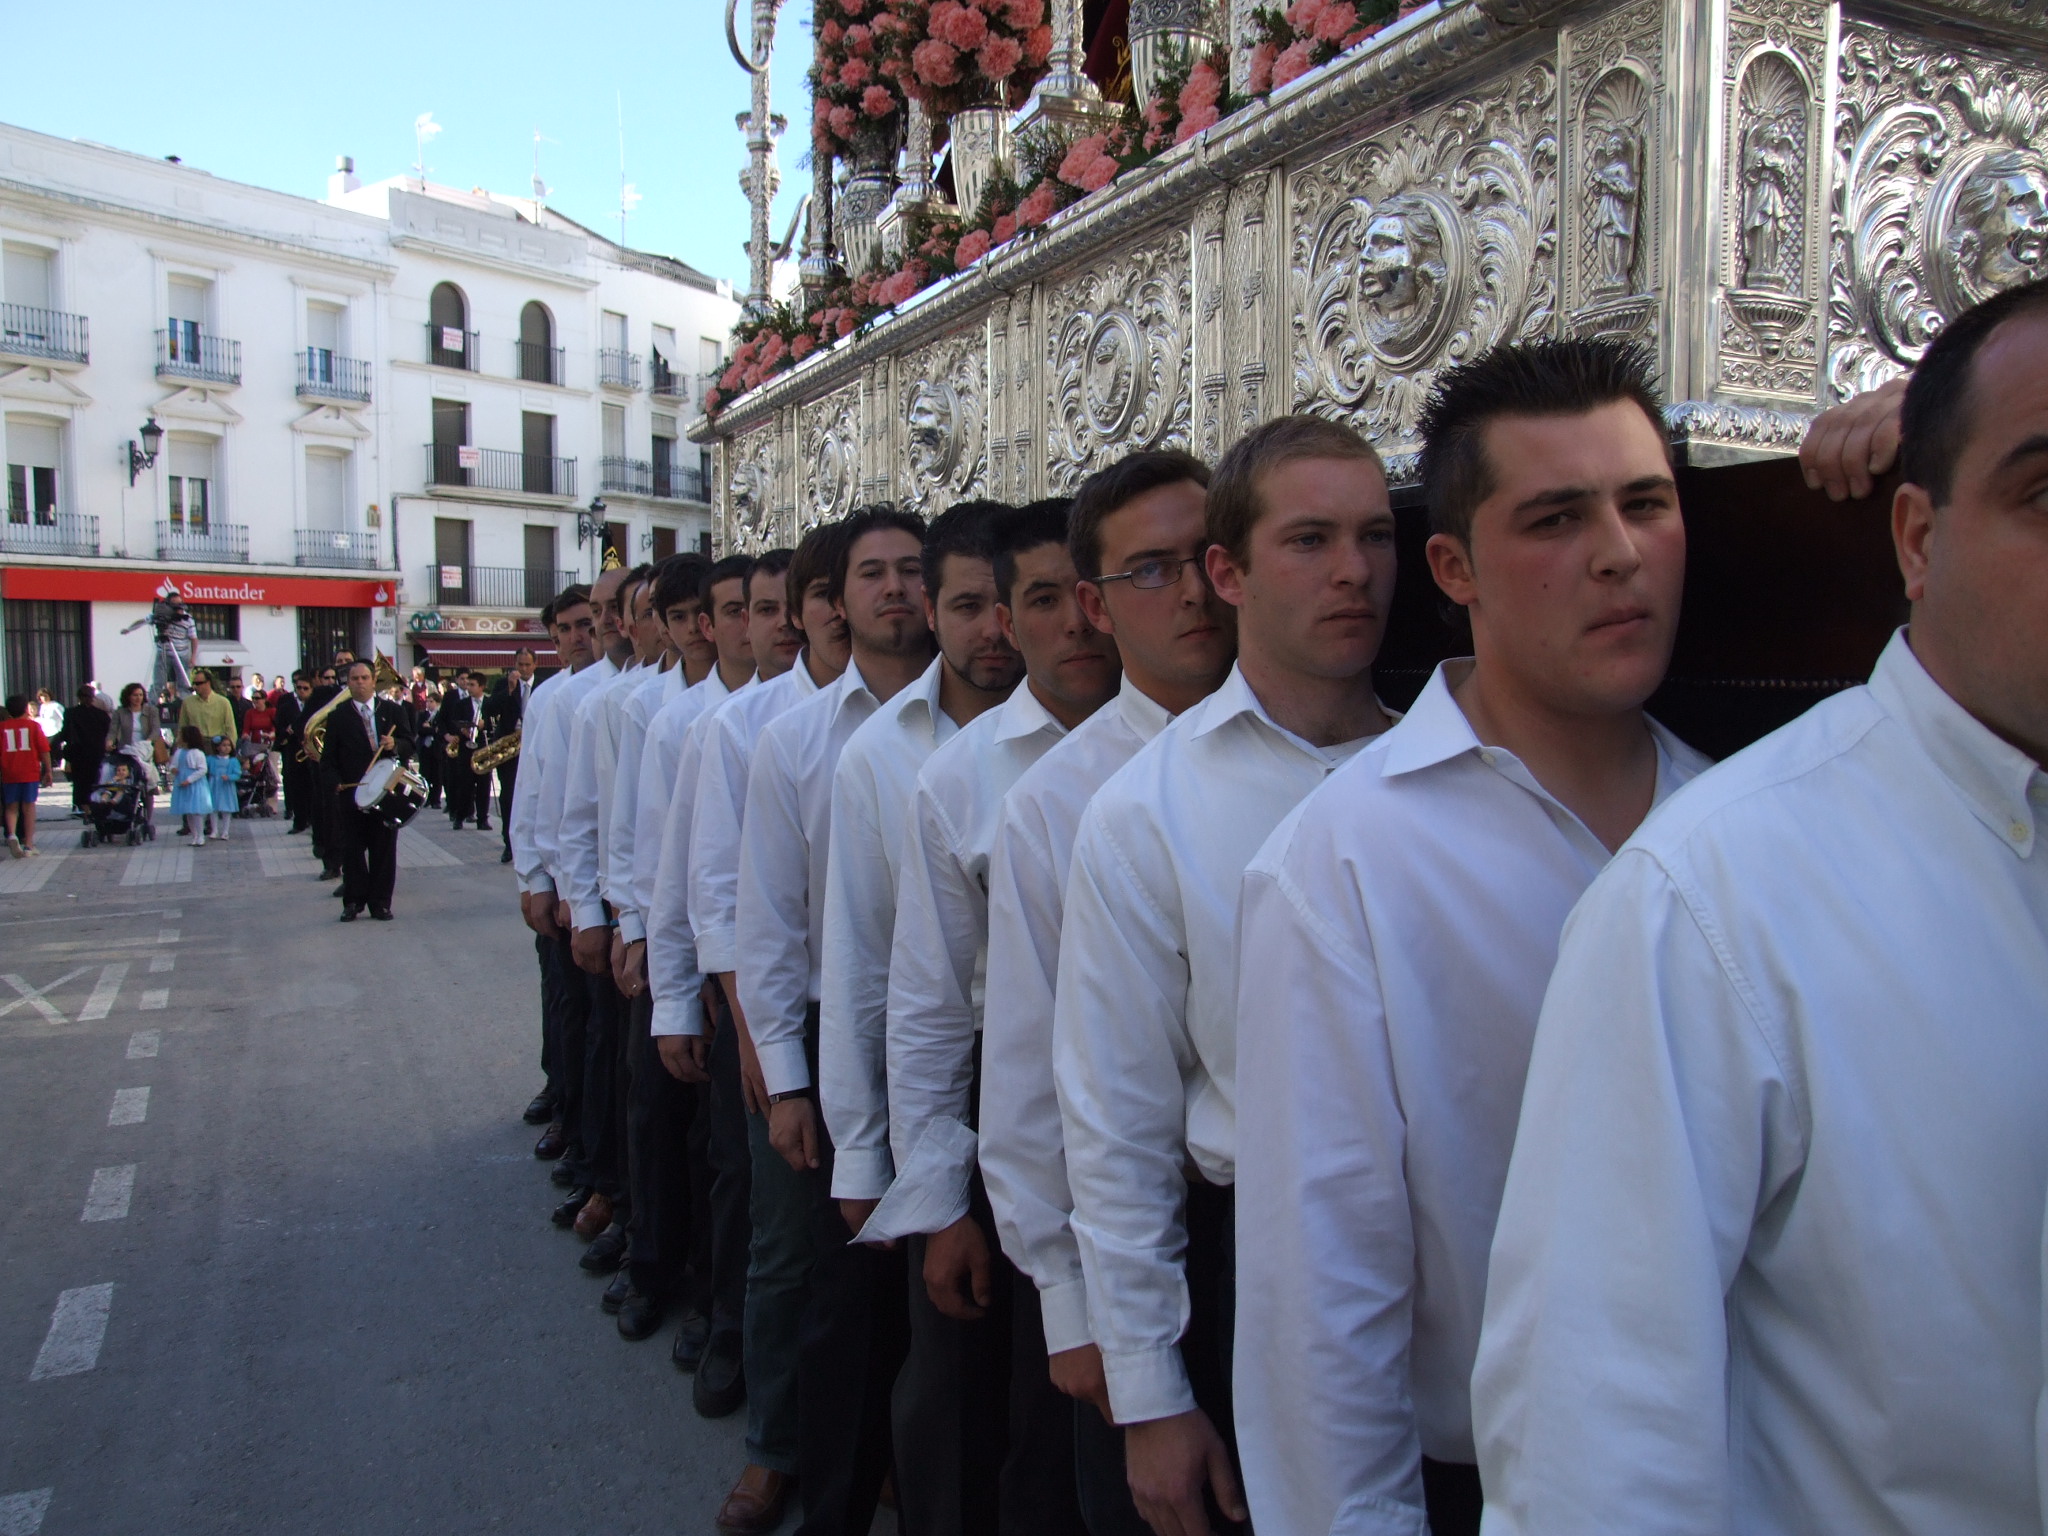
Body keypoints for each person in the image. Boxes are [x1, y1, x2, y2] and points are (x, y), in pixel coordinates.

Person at [1470, 285, 2048, 1536]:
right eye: (2043, 497)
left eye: (1645, 507)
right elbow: (1596, 1439)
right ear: (1914, 537)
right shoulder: (1707, 898)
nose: (1616, 556)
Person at [1228, 340, 1709, 1536]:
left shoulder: (1740, 828)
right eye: (1553, 518)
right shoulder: (1344, 862)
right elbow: (1318, 1292)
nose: (1616, 554)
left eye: (1644, 504)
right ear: (1454, 566)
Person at [1055, 414, 1401, 1536]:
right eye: (1308, 540)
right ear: (1229, 573)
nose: (1352, 571)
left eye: (1374, 536)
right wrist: (1150, 1391)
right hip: (1256, 1260)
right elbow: (1114, 1121)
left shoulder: (1447, 768)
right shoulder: (1142, 812)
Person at [978, 451, 1236, 1536]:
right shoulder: (1058, 804)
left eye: (1202, 561)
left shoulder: (1326, 752)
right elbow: (1038, 1073)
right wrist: (1071, 1304)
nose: (1188, 593)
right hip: (1142, 1232)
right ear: (1094, 603)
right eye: (1149, 570)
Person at [884, 499, 1122, 1535]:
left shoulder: (1184, 747)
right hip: (1009, 1117)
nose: (1074, 623)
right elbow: (928, 1006)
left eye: (1089, 598)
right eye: (1039, 601)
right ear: (1009, 626)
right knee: (993, 1404)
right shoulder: (960, 780)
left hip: (1142, 1124)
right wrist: (939, 1203)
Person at [814, 499, 1022, 1531]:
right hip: (944, 1086)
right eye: (969, 605)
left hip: (1050, 1079)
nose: (996, 632)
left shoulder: (1083, 731)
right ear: (933, 614)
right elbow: (859, 963)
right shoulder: (879, 757)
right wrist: (865, 1156)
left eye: (1011, 603)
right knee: (943, 1371)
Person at [737, 506, 931, 1536]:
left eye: (912, 570)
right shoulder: (794, 741)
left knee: (937, 1286)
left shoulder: (982, 719)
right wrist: (788, 1083)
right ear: (838, 602)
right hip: (833, 1031)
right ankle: (812, 1480)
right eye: (873, 575)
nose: (895, 588)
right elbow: (767, 922)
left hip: (949, 1036)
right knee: (828, 1285)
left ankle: (910, 1462)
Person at [642, 552, 759, 1374]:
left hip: (780, 989)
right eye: (739, 609)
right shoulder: (690, 723)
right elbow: (673, 869)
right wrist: (676, 995)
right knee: (719, 1161)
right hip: (723, 989)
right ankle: (715, 1314)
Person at [510, 589, 598, 1164]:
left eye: (585, 624)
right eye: (565, 628)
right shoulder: (551, 695)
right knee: (565, 1003)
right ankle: (564, 1101)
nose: (577, 636)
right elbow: (535, 790)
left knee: (595, 1023)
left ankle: (583, 1119)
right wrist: (535, 878)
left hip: (590, 883)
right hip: (560, 877)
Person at [321, 658, 415, 922]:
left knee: (384, 849)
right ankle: (353, 901)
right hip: (353, 791)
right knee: (352, 850)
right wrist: (334, 782)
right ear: (348, 683)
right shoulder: (338, 716)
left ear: (374, 681)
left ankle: (380, 903)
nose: (360, 683)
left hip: (386, 791)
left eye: (364, 678)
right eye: (354, 679)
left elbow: (410, 744)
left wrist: (394, 743)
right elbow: (328, 759)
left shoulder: (393, 711)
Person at [486, 648, 538, 862]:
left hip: (534, 745)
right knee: (508, 795)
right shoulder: (503, 684)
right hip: (510, 747)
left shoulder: (544, 684)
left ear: (535, 665)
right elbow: (488, 709)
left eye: (527, 665)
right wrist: (509, 689)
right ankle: (509, 843)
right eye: (520, 665)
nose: (523, 669)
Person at [435, 672, 491, 830]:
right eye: (468, 684)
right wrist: (463, 730)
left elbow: (494, 723)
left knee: (483, 786)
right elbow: (455, 722)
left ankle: (483, 819)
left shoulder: (488, 703)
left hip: (483, 748)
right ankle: (459, 817)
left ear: (482, 686)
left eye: (472, 685)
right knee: (465, 785)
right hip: (466, 749)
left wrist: (484, 724)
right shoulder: (461, 704)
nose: (469, 688)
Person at [2, 694, 55, 857]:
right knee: (29, 807)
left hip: (8, 771)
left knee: (11, 807)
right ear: (26, 708)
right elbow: (44, 750)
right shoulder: (33, 726)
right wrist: (48, 770)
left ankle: (11, 834)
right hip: (29, 772)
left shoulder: (2, 727)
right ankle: (29, 844)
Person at [54, 685, 111, 819]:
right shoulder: (101, 714)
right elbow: (108, 732)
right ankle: (95, 804)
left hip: (78, 752)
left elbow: (66, 733)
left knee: (79, 781)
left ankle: (80, 806)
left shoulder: (71, 713)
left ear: (78, 697)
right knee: (95, 779)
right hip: (96, 752)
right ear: (93, 698)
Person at [168, 724, 210, 848]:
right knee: (188, 812)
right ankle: (195, 836)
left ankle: (200, 836)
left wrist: (190, 780)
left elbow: (202, 770)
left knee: (196, 811)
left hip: (194, 785)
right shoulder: (179, 752)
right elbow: (173, 765)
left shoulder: (197, 753)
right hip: (182, 783)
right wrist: (173, 769)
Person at [178, 670, 236, 750]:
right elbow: (182, 726)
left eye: (198, 683)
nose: (195, 687)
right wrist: (181, 746)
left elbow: (230, 728)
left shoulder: (223, 702)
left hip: (217, 745)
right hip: (195, 745)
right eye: (194, 684)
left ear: (208, 683)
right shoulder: (187, 703)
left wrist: (231, 748)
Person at [205, 734, 243, 840]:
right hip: (214, 785)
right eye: (223, 745)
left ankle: (225, 831)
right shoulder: (210, 759)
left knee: (226, 809)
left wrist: (229, 777)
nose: (227, 747)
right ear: (217, 747)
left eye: (228, 745)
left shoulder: (233, 761)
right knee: (213, 808)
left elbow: (237, 774)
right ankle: (214, 830)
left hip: (227, 787)